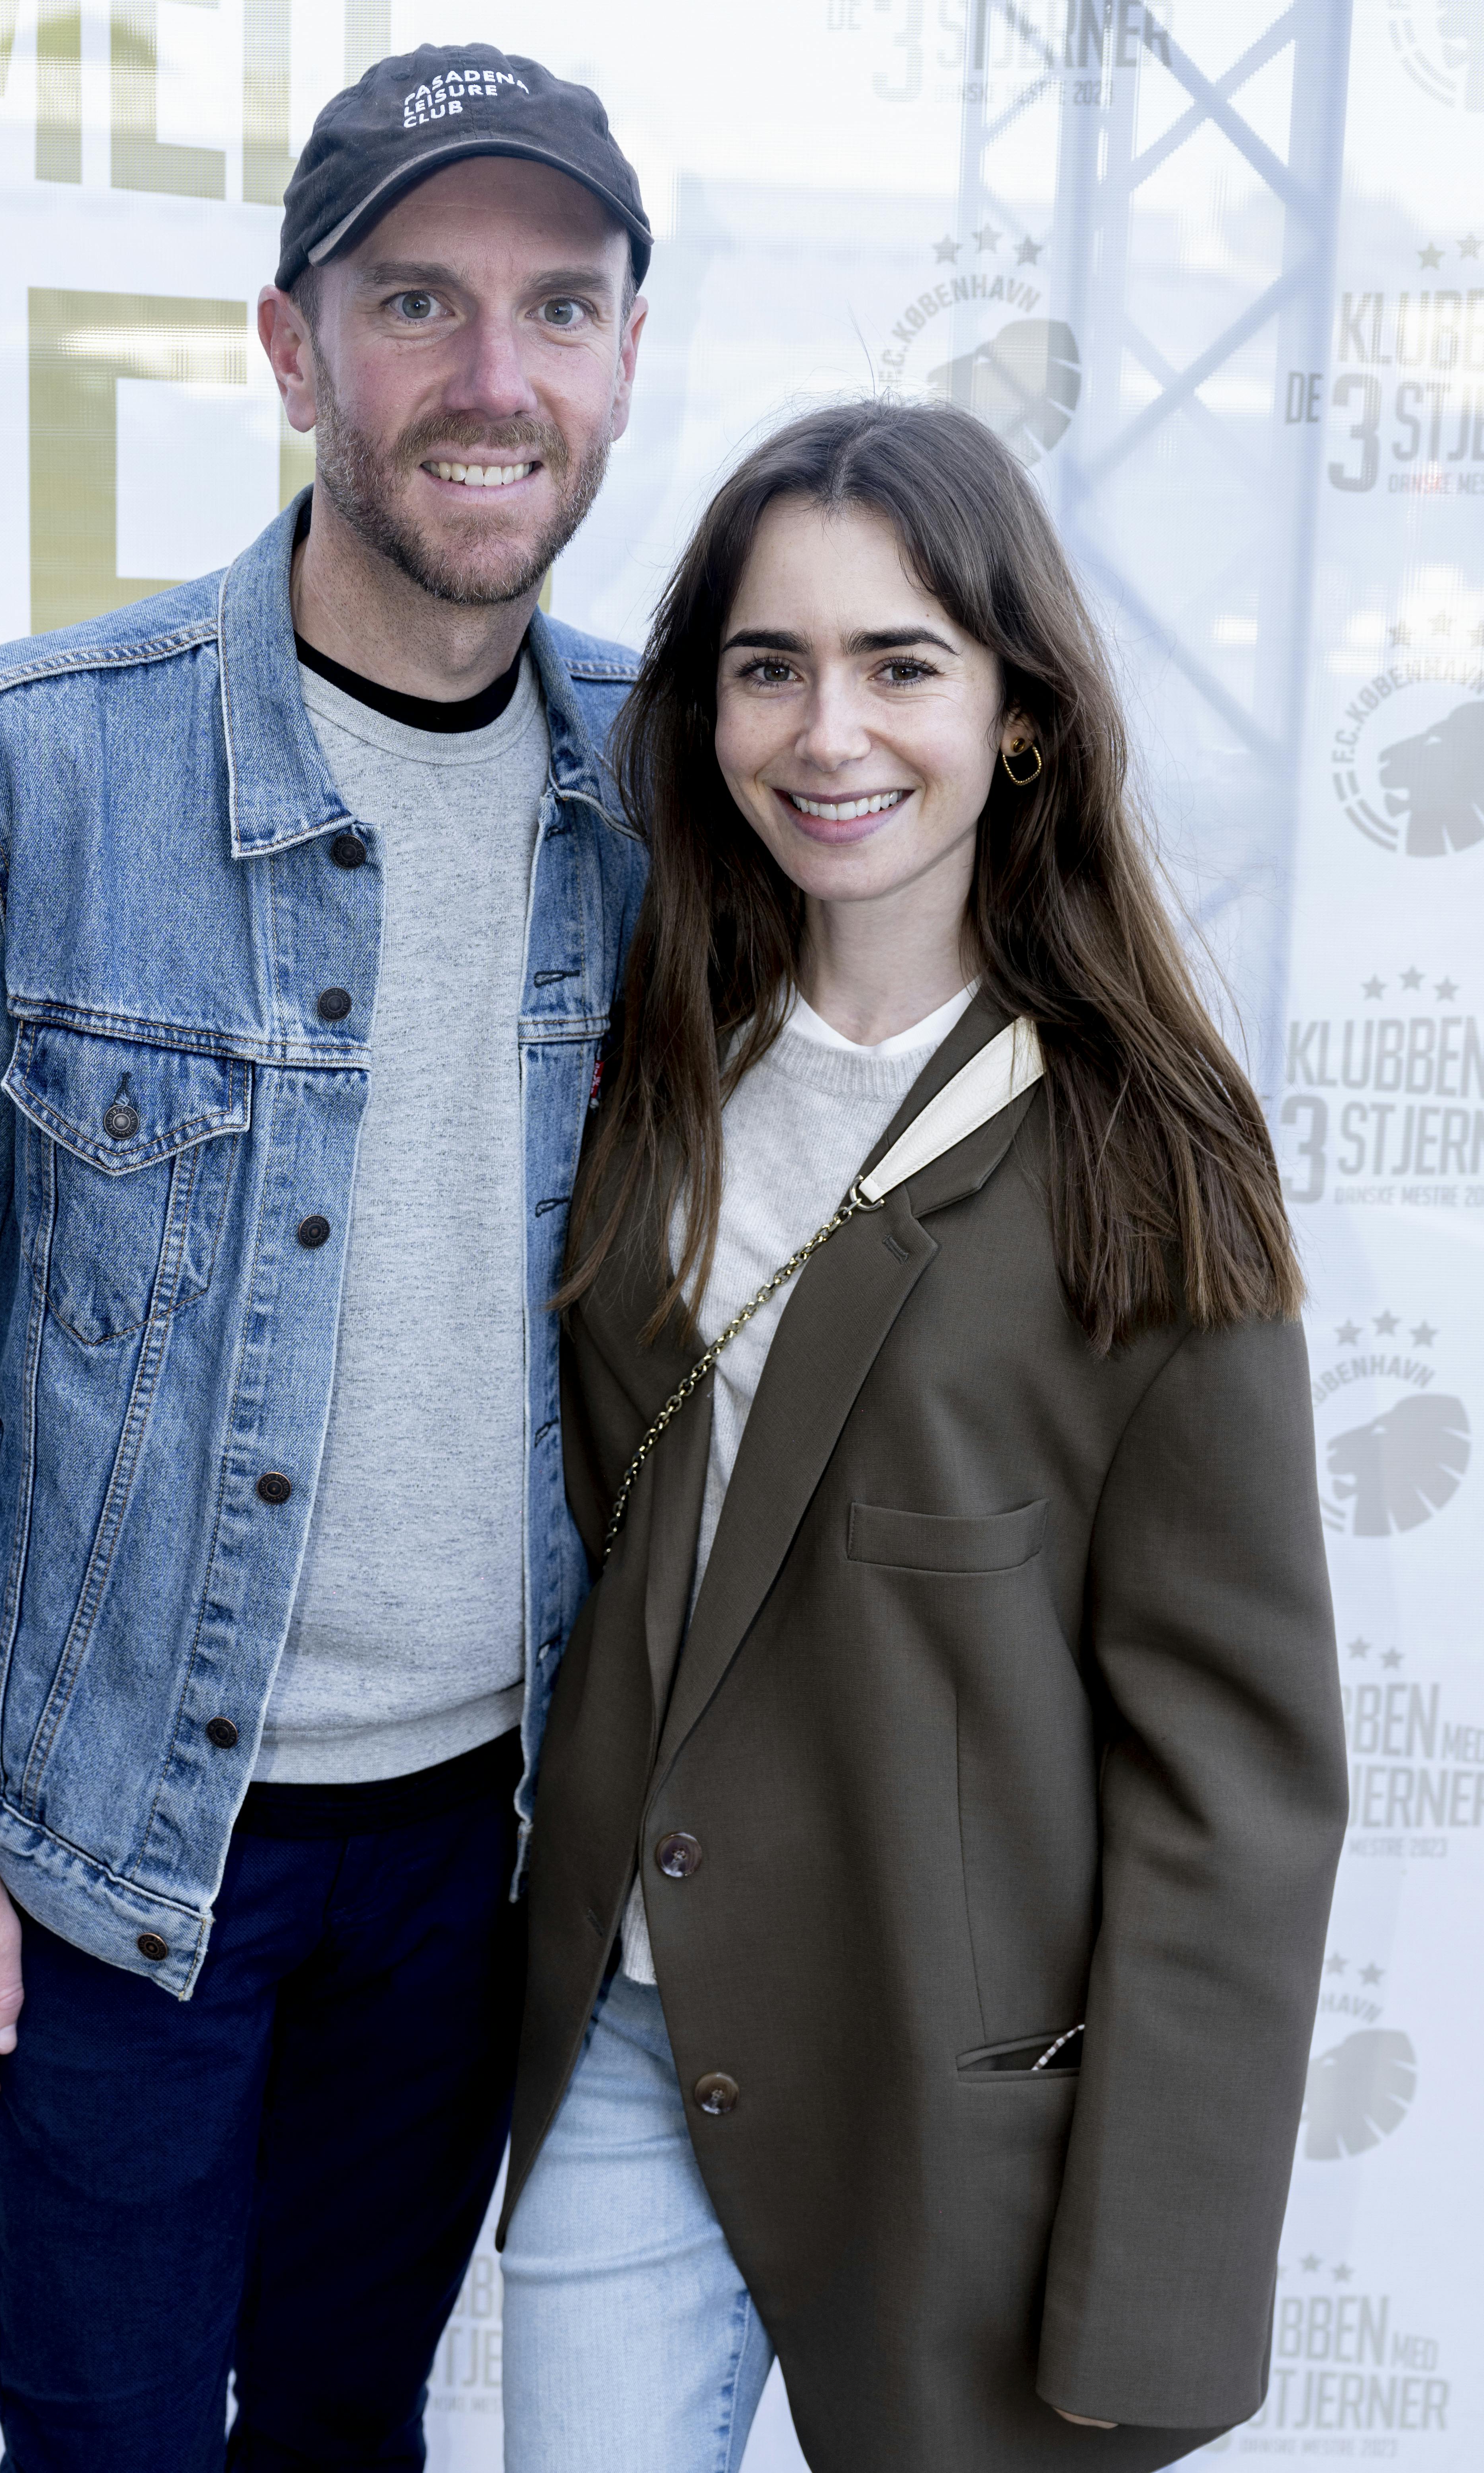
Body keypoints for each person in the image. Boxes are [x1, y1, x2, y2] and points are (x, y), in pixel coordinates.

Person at [0, 45, 651, 2473]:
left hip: (489, 1836)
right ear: (289, 342)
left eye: (560, 309)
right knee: (112, 2438)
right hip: (127, 1842)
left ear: (627, 358)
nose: (493, 379)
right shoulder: (24, 768)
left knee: (349, 2427)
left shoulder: (679, 796)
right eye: (419, 301)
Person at [497, 399, 1348, 2473]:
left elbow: (1233, 1777)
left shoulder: (1143, 1152)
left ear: (1019, 713)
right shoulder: (635, 1069)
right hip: (630, 2039)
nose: (828, 730)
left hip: (957, 2105)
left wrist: (1150, 2284)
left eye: (901, 664)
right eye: (768, 665)